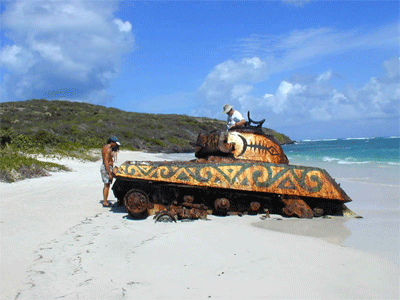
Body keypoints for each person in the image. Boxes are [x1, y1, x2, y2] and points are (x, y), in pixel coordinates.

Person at [100, 136, 120, 207]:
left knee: (108, 184)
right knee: (107, 184)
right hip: (106, 168)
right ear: (112, 142)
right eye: (115, 143)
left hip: (108, 167)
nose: (115, 145)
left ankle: (106, 200)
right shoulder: (107, 149)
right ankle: (105, 202)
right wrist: (109, 173)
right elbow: (106, 162)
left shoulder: (110, 148)